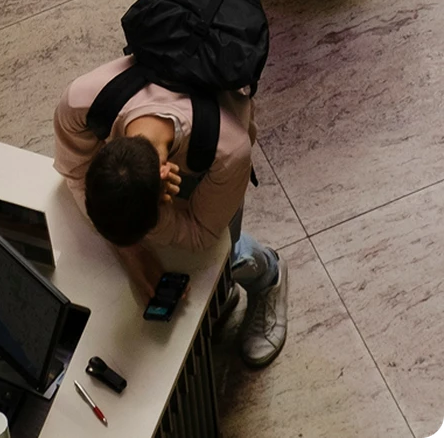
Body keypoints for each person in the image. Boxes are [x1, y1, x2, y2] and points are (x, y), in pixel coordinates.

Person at [53, 55, 287, 368]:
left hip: (211, 159)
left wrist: (160, 218)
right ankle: (220, 296)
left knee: (221, 255)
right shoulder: (80, 102)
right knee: (185, 265)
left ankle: (269, 275)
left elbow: (201, 235)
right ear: (104, 148)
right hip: (171, 152)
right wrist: (132, 252)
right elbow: (76, 171)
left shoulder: (228, 151)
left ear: (165, 177)